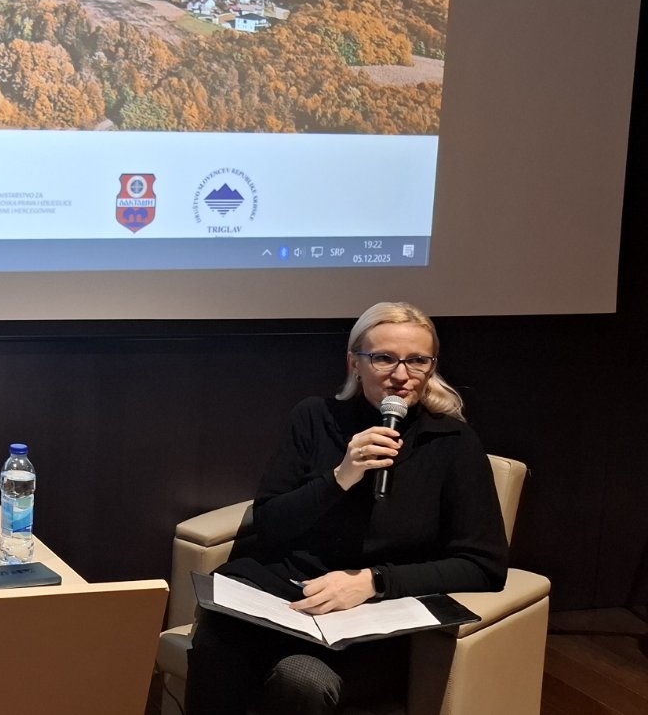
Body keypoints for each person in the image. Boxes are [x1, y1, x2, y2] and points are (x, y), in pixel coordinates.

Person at [185, 301, 509, 715]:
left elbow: (484, 565)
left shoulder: (453, 443)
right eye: (384, 358)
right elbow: (269, 522)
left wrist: (374, 581)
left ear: (431, 367)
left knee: (300, 679)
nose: (401, 375)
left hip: (373, 617)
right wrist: (340, 476)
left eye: (417, 361)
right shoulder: (315, 417)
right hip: (283, 595)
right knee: (219, 643)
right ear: (354, 363)